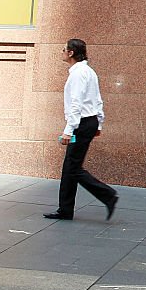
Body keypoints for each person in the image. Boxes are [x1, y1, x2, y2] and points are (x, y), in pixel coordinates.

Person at [44, 39, 119, 221]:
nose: (61, 52)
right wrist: (98, 123)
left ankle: (108, 195)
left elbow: (76, 104)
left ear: (71, 53)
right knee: (70, 167)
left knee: (73, 167)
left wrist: (68, 130)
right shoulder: (89, 72)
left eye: (64, 49)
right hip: (89, 122)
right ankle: (65, 210)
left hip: (81, 123)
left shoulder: (78, 74)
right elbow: (97, 100)